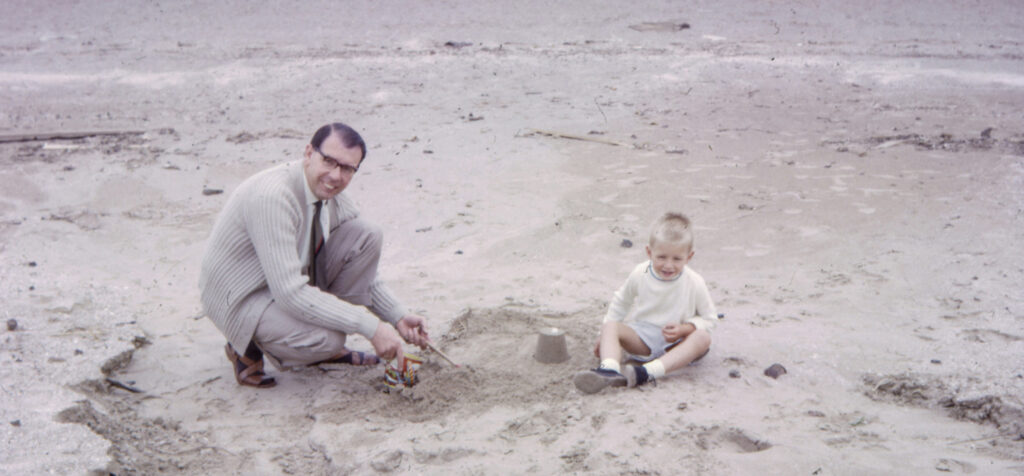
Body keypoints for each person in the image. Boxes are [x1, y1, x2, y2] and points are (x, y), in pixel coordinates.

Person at [199, 122, 429, 388]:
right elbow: (290, 293)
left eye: (347, 168)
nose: (335, 175)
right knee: (328, 340)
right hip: (240, 295)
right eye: (329, 161)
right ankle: (244, 343)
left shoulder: (329, 192)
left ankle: (316, 336)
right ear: (309, 153)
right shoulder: (273, 197)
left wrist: (397, 316)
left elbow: (364, 268)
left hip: (283, 277)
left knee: (367, 235)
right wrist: (371, 327)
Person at [573, 212, 718, 394]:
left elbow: (710, 319)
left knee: (703, 338)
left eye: (677, 259)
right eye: (662, 257)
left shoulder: (694, 281)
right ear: (649, 252)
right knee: (610, 326)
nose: (668, 265)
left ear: (689, 257)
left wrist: (686, 329)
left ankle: (646, 373)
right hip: (644, 339)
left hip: (677, 345)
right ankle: (609, 369)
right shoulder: (640, 273)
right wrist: (604, 337)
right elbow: (621, 302)